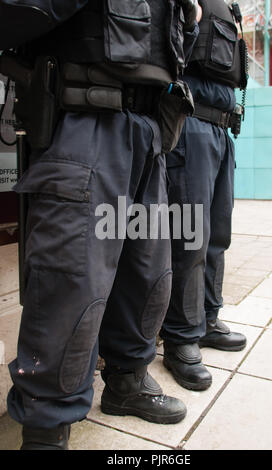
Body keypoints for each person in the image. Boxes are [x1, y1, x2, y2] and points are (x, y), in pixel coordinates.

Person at [0, 0, 200, 450]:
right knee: (71, 283)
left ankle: (126, 382)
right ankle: (46, 425)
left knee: (148, 274)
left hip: (150, 131)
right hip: (83, 120)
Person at [159, 0, 247, 391]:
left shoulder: (229, 7)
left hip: (221, 131)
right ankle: (180, 337)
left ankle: (207, 318)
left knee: (217, 237)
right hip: (190, 125)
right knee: (189, 241)